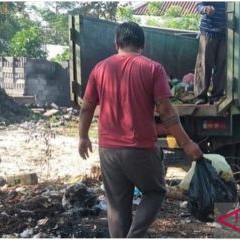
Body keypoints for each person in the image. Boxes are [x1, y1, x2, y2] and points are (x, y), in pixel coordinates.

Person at [78, 22, 203, 238]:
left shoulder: (100, 68)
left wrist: (83, 137)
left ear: (117, 43)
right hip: (140, 147)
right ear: (142, 45)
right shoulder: (152, 68)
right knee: (156, 191)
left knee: (117, 205)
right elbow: (165, 110)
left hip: (108, 149)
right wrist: (187, 143)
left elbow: (87, 106)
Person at [194, 2, 240, 104]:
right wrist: (205, 9)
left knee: (222, 66)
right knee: (204, 65)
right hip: (209, 32)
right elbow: (198, 6)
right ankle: (201, 96)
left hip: (226, 33)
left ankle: (216, 96)